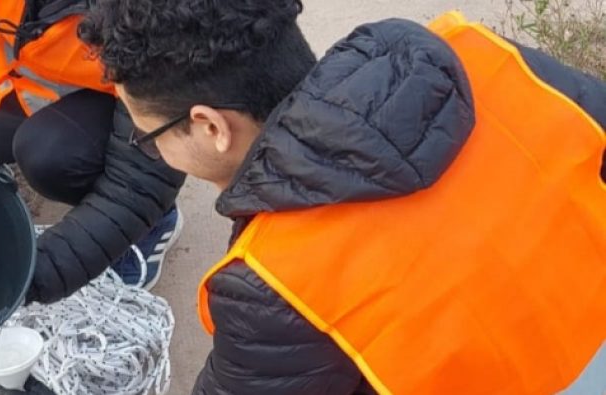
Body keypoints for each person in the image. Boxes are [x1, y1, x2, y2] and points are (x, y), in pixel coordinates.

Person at [80, 0, 606, 393]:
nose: (154, 152)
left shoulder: (274, 285)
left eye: (149, 137)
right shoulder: (477, 54)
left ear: (211, 126)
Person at [0, 0, 187, 306]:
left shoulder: (160, 16)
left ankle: (155, 223)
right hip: (27, 79)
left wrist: (26, 277)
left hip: (126, 108)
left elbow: (134, 187)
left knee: (49, 156)